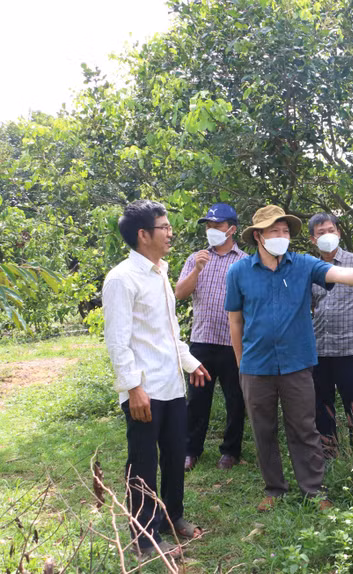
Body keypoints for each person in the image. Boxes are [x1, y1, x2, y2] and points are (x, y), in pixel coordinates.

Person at [225, 205, 353, 512]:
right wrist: (241, 364)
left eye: (285, 231)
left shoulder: (303, 265)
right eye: (274, 231)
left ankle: (313, 489)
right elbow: (235, 321)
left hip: (297, 363)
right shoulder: (239, 271)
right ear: (258, 236)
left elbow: (342, 273)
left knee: (304, 428)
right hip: (256, 365)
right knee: (263, 429)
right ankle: (274, 489)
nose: (281, 236)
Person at [102, 199, 210, 560]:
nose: (170, 233)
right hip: (144, 389)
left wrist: (190, 363)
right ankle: (144, 538)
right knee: (144, 461)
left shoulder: (160, 271)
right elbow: (118, 340)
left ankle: (172, 516)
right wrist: (133, 387)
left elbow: (168, 332)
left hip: (171, 384)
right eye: (163, 227)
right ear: (142, 234)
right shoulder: (121, 278)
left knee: (176, 453)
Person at [175, 203, 248, 472]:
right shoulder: (196, 258)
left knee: (235, 399)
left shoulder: (245, 262)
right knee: (197, 400)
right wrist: (197, 270)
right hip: (202, 341)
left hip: (234, 343)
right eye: (208, 226)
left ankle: (230, 452)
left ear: (232, 229)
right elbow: (179, 294)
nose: (211, 231)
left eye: (216, 226)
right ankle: (190, 450)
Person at [308, 213, 353, 451]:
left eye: (330, 230)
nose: (327, 235)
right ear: (312, 239)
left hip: (350, 346)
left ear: (338, 232)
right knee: (321, 402)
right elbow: (310, 305)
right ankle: (328, 451)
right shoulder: (310, 268)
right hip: (320, 347)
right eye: (320, 232)